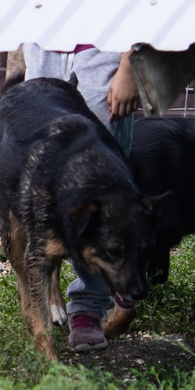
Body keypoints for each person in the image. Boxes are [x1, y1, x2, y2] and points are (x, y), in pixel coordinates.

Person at [18, 43, 140, 352]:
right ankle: (47, 291)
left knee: (103, 188)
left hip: (106, 47)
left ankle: (88, 306)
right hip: (46, 44)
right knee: (43, 179)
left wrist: (129, 65)